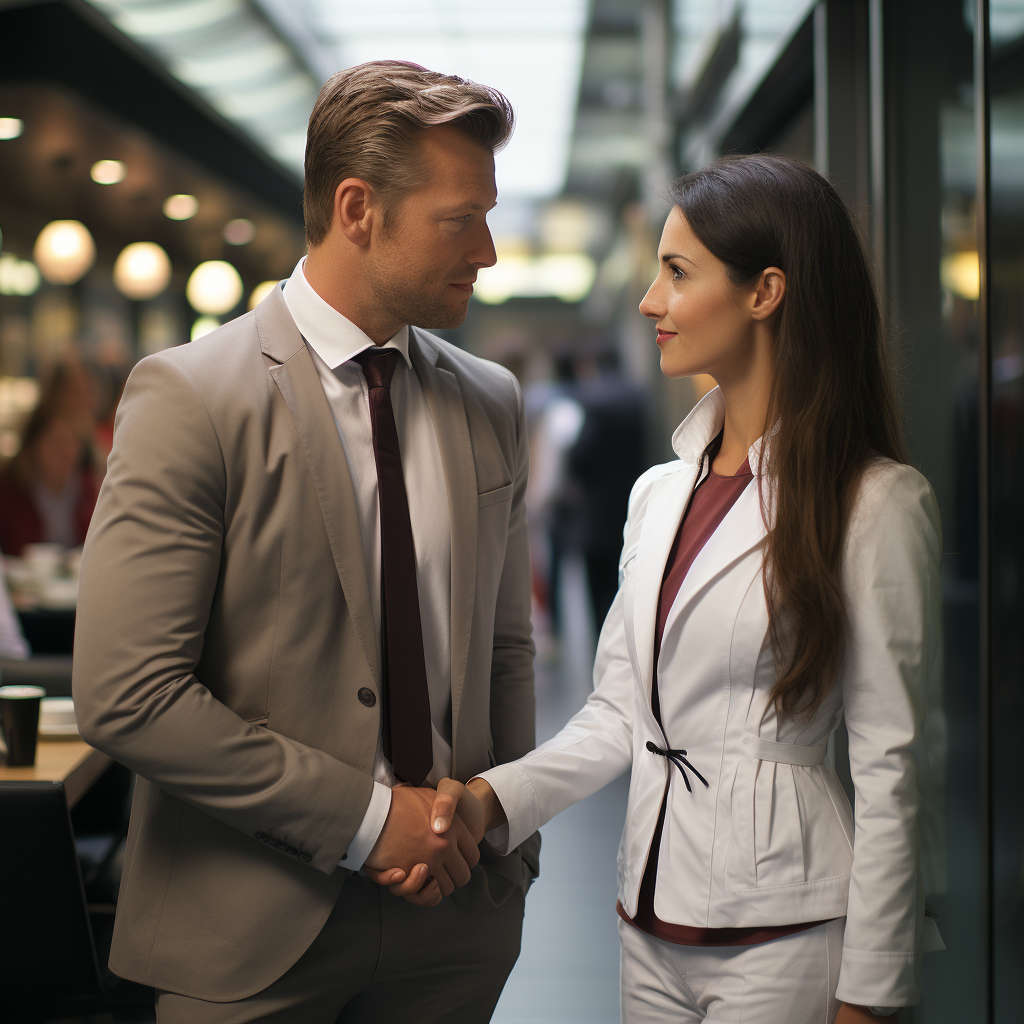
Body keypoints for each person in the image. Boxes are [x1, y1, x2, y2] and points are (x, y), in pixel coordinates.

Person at [73, 61, 539, 1023]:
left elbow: (504, 650)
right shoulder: (193, 396)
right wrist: (372, 824)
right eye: (461, 219)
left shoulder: (489, 401)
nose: (487, 251)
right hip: (249, 934)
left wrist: (502, 842)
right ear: (357, 208)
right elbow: (128, 693)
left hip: (455, 926)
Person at [429, 154, 943, 1023]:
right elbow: (620, 713)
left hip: (789, 927)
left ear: (765, 291)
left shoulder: (875, 502)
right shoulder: (659, 492)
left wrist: (872, 991)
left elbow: (894, 766)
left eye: (677, 272)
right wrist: (489, 800)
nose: (649, 302)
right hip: (648, 920)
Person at [0, 401, 99, 555]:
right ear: (34, 445)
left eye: (71, 442)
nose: (65, 451)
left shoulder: (88, 489)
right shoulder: (12, 488)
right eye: (56, 441)